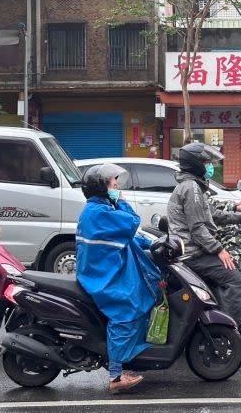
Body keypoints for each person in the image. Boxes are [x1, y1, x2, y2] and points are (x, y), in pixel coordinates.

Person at [166, 142, 241, 360]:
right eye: (206, 162)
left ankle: (228, 329)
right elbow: (198, 228)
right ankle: (231, 338)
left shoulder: (194, 186)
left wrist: (240, 216)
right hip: (192, 254)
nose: (209, 166)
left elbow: (212, 215)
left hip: (194, 251)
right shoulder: (191, 188)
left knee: (221, 283)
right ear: (196, 164)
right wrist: (219, 250)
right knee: (234, 280)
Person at [75, 163, 162, 394]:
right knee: (127, 310)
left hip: (104, 271)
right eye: (113, 183)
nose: (117, 187)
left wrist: (153, 243)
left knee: (139, 299)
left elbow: (128, 237)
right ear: (101, 187)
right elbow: (132, 222)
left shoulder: (100, 209)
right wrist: (121, 201)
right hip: (102, 277)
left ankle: (131, 356)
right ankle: (115, 375)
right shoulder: (100, 212)